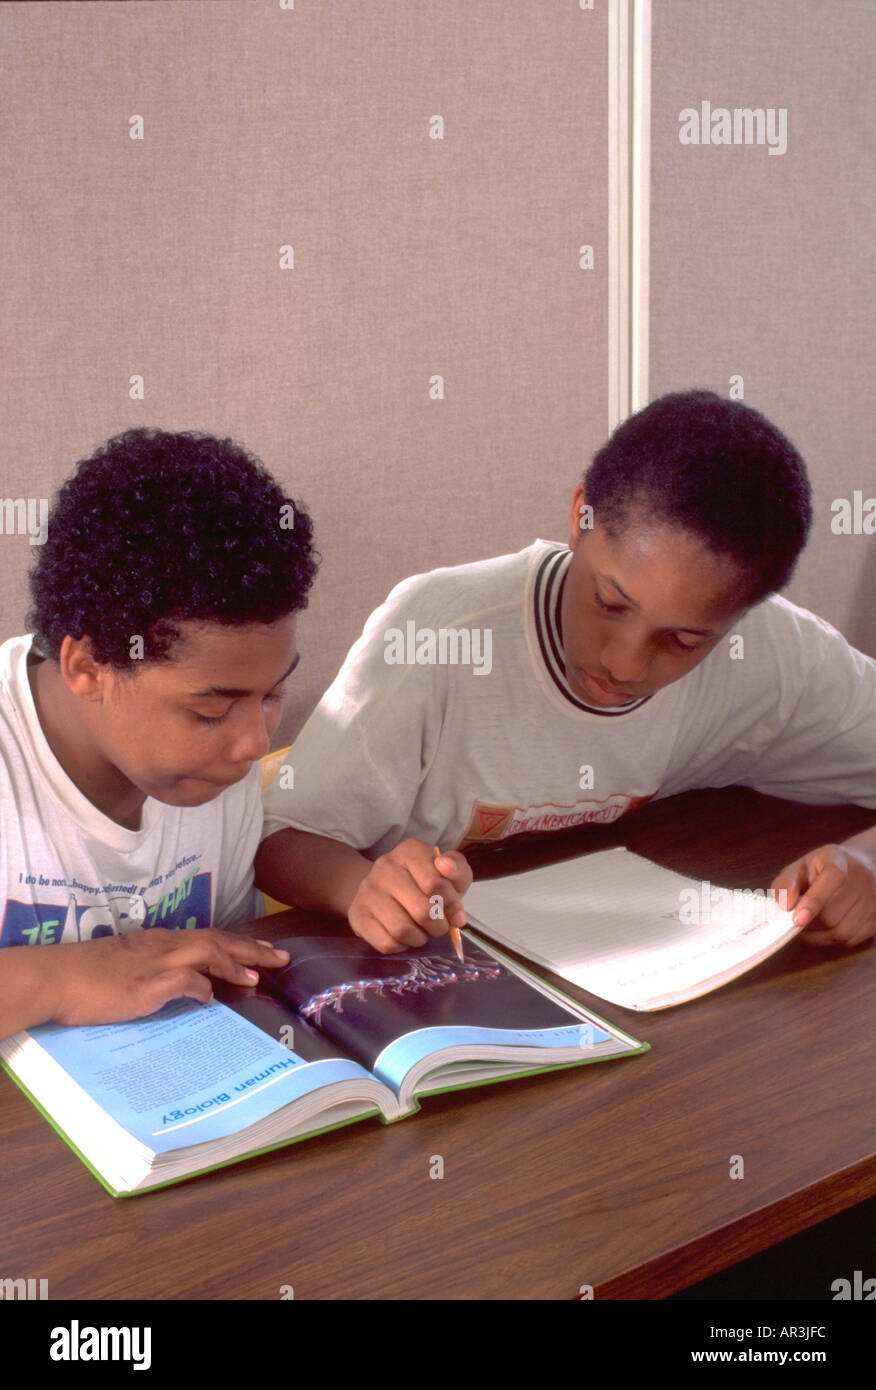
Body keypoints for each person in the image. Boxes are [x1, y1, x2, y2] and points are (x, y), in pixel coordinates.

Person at [255, 390, 876, 954]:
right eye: (609, 603)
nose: (625, 662)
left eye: (684, 641)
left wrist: (865, 864)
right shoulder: (438, 635)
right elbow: (279, 838)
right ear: (580, 515)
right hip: (430, 969)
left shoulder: (774, 655)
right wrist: (360, 885)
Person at [0, 427, 317, 1039]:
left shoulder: (213, 772)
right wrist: (62, 979)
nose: (254, 744)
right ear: (88, 668)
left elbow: (226, 959)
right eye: (209, 712)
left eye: (272, 694)